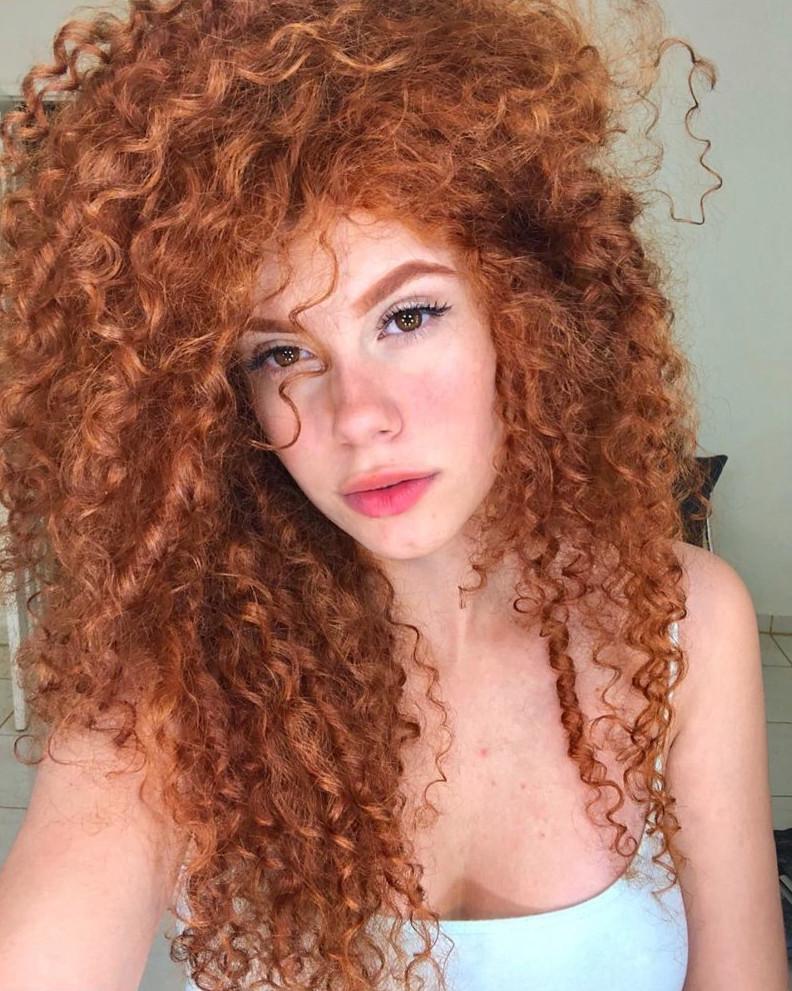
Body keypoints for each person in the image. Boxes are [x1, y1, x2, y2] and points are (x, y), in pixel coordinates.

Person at [0, 1, 786, 989]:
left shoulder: (683, 622)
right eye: (282, 353)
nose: (358, 416)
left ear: (524, 313)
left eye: (408, 316)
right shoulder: (174, 678)